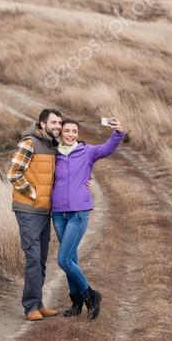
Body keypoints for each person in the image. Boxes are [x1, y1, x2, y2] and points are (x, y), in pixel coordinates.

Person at [50, 117, 125, 320]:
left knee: (63, 260)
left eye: (74, 131)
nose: (71, 134)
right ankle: (76, 303)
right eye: (67, 131)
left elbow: (107, 148)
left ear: (78, 134)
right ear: (60, 132)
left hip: (78, 214)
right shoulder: (53, 154)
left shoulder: (87, 152)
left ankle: (91, 295)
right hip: (58, 214)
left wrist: (117, 133)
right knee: (71, 259)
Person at [6, 108, 63, 321]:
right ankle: (30, 307)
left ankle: (38, 303)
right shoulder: (29, 143)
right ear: (42, 124)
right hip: (28, 210)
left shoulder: (51, 146)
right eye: (54, 123)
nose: (57, 126)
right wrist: (33, 194)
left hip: (43, 211)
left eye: (59, 123)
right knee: (32, 258)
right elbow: (13, 173)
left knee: (40, 259)